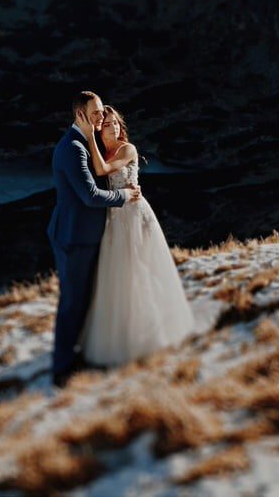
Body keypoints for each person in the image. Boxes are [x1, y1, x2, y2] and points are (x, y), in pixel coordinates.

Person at [78, 104, 196, 365]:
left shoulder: (127, 149)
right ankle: (123, 334)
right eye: (107, 124)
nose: (114, 128)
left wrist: (89, 137)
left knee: (140, 268)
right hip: (114, 218)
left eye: (116, 123)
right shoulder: (99, 150)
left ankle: (152, 331)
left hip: (133, 215)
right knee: (118, 274)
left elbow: (102, 171)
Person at [47, 90, 140, 387]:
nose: (101, 118)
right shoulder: (74, 148)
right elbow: (89, 196)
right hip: (75, 235)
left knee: (84, 298)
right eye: (96, 113)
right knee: (73, 301)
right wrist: (124, 195)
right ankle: (63, 368)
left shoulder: (86, 142)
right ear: (80, 115)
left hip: (86, 233)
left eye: (102, 112)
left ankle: (79, 353)